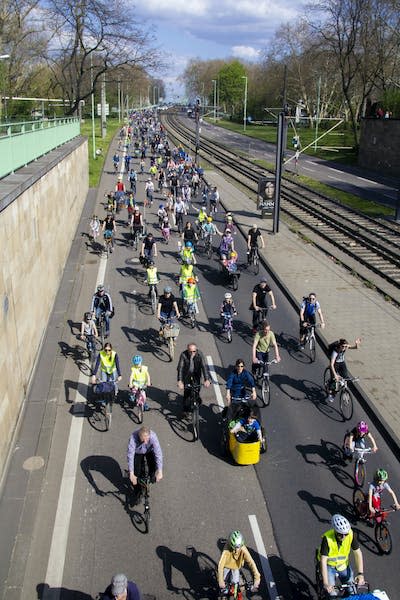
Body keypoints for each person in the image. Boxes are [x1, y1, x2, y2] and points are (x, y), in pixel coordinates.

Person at [318, 514, 365, 595]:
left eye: (345, 534)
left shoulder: (350, 534)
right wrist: (326, 583)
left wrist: (360, 574)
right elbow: (323, 560)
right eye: (340, 534)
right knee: (332, 594)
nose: (344, 537)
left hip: (343, 565)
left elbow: (358, 553)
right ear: (335, 531)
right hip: (329, 566)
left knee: (352, 590)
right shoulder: (327, 539)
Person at [127, 426, 163, 500]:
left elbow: (158, 453)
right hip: (138, 452)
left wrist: (160, 471)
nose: (146, 442)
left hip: (149, 451)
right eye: (143, 439)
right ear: (139, 436)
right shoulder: (133, 438)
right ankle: (137, 490)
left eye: (147, 439)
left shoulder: (153, 437)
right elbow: (130, 455)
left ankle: (150, 478)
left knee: (153, 465)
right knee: (136, 472)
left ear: (149, 435)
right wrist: (131, 473)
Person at [177, 344, 211, 415]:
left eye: (194, 351)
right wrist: (180, 381)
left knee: (197, 389)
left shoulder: (199, 354)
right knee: (187, 392)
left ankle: (196, 401)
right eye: (190, 351)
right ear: (187, 350)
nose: (192, 353)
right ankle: (185, 410)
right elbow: (180, 368)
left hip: (196, 374)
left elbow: (204, 367)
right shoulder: (183, 355)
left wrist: (206, 379)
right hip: (186, 375)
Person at [327, 337, 361, 402]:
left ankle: (344, 389)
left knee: (346, 377)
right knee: (334, 381)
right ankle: (331, 394)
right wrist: (335, 375)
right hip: (335, 364)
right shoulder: (335, 351)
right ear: (340, 345)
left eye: (345, 346)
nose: (344, 348)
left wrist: (356, 344)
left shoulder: (345, 347)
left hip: (342, 363)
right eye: (343, 346)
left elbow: (355, 348)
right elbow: (331, 364)